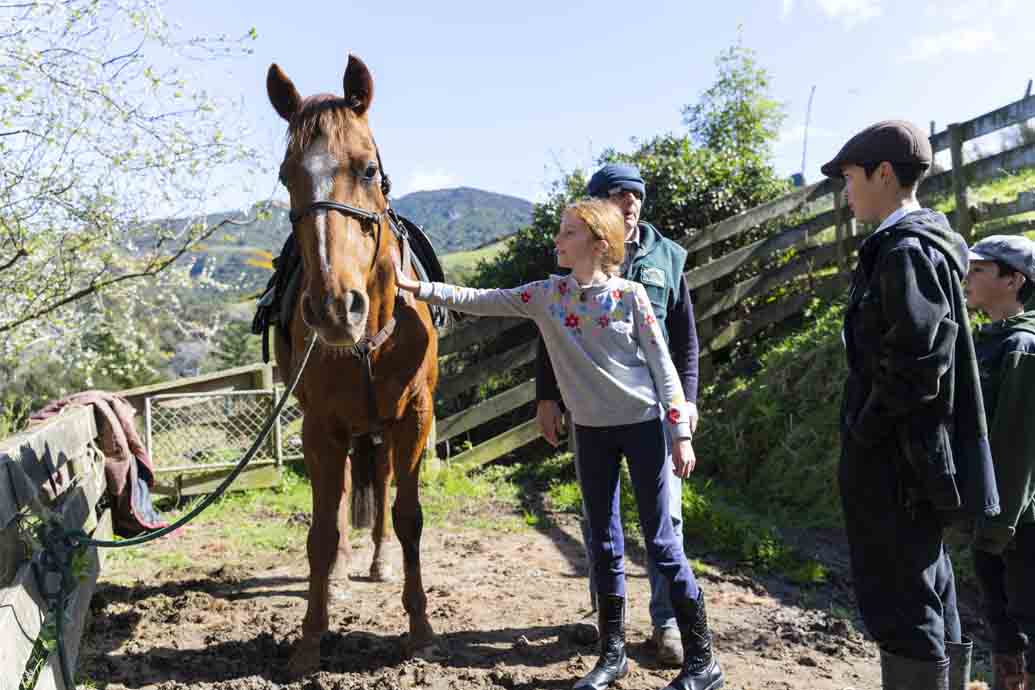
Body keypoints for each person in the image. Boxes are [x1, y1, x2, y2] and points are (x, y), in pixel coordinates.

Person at [395, 198, 723, 690]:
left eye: (568, 232)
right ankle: (612, 654)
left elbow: (664, 368)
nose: (557, 240)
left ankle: (702, 661)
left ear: (598, 242)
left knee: (660, 541)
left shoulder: (630, 296)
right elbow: (480, 298)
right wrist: (417, 288)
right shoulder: (547, 295)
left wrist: (680, 433)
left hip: (643, 426)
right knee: (604, 542)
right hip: (590, 432)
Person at [821, 120, 999, 690]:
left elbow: (918, 363)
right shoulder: (929, 242)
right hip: (919, 453)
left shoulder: (906, 251)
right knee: (928, 582)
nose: (846, 191)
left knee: (901, 598)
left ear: (883, 173)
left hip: (899, 456)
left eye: (850, 177)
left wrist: (866, 434)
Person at [535, 163, 699, 667]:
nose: (630, 202)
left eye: (637, 195)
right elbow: (552, 324)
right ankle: (612, 629)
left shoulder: (667, 258)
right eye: (617, 194)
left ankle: (669, 624)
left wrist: (686, 402)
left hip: (653, 412)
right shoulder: (581, 253)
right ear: (595, 207)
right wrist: (548, 396)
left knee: (665, 521)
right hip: (596, 415)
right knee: (600, 524)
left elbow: (684, 338)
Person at [964, 234, 1035, 690]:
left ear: (1014, 280)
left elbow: (1016, 447)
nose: (966, 278)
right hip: (993, 517)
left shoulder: (1022, 348)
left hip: (1021, 523)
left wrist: (995, 527)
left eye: (978, 270)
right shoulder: (988, 340)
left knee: (1028, 621)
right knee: (1000, 620)